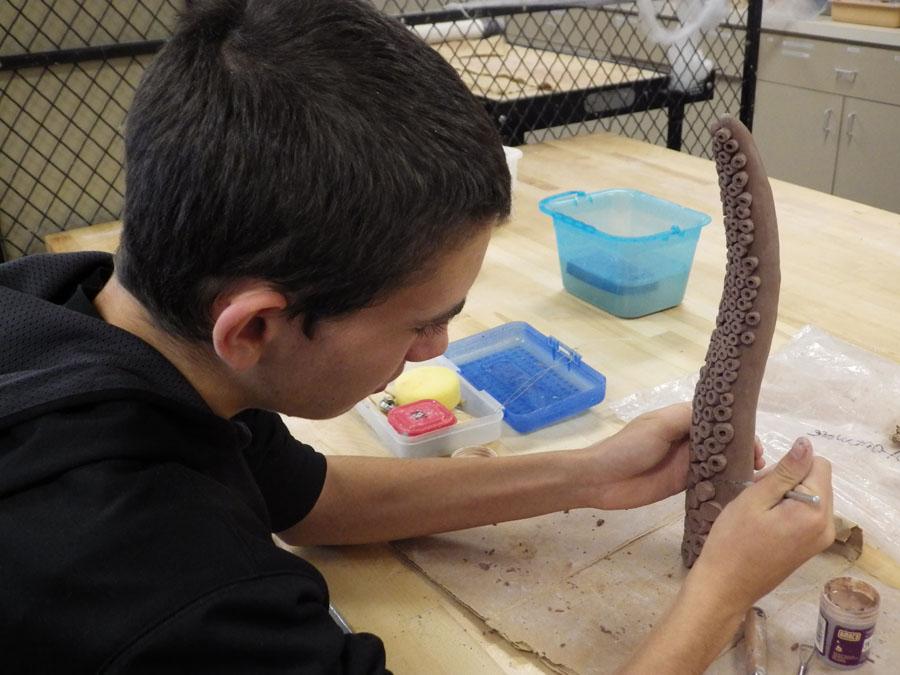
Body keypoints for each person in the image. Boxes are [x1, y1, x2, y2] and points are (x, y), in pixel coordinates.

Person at [0, 0, 834, 672]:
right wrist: (720, 593)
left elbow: (311, 499)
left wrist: (589, 471)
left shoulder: (86, 319)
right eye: (422, 321)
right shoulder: (183, 594)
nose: (436, 350)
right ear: (254, 325)